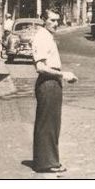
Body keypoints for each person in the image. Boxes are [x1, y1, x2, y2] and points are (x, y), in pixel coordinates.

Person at [31, 9, 77, 174]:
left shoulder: (46, 36)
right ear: (43, 20)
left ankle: (46, 159)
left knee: (51, 123)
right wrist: (62, 74)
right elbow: (41, 67)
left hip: (52, 82)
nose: (56, 23)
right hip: (48, 83)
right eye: (52, 20)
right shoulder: (42, 37)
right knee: (48, 124)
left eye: (58, 20)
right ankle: (47, 162)